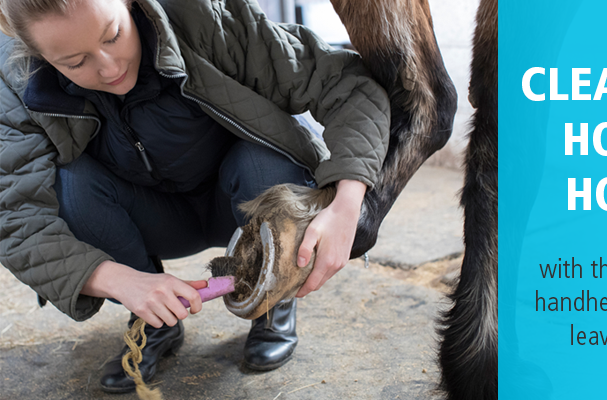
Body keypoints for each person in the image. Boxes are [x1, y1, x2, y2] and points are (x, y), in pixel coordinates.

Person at [0, 0, 389, 393]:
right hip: (147, 216)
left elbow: (349, 85)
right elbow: (15, 218)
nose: (110, 67)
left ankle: (274, 297)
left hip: (239, 193)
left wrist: (348, 202)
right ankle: (153, 320)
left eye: (114, 35)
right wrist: (119, 281)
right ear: (38, 55)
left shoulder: (202, 16)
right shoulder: (15, 80)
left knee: (265, 158)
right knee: (70, 185)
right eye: (74, 62)